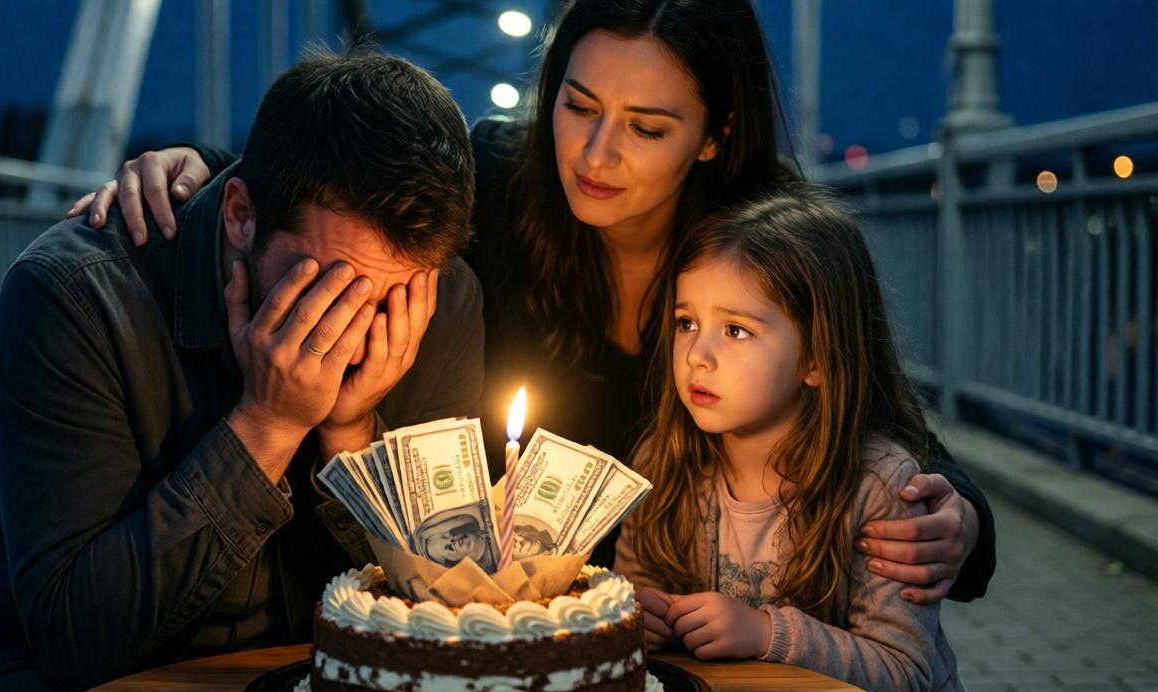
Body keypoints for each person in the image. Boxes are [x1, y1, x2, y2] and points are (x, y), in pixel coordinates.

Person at [69, 0, 995, 606]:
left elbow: (903, 443)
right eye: (578, 104)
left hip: (704, 632)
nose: (595, 154)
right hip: (502, 630)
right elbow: (349, 196)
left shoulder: (766, 244)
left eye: (647, 127)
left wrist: (961, 527)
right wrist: (206, 186)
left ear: (716, 137)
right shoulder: (501, 177)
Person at [0, 51, 484, 692]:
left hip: (294, 671)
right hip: (40, 677)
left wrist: (352, 443)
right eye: (326, 292)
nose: (352, 337)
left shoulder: (441, 296)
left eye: (381, 302)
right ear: (240, 214)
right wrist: (267, 425)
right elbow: (77, 641)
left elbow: (447, 614)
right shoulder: (76, 295)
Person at [614, 186, 974, 692]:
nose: (698, 355)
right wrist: (635, 617)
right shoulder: (662, 460)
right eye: (687, 322)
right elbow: (634, 589)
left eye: (736, 330)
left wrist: (765, 633)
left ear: (819, 359)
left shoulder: (878, 485)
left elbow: (903, 676)